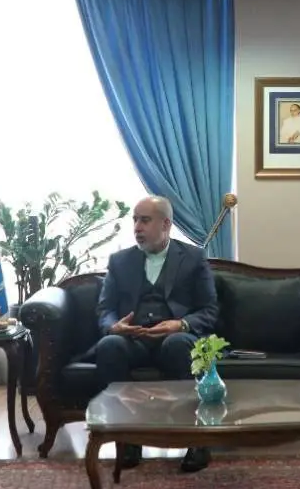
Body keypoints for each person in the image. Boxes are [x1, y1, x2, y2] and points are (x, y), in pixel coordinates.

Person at [94, 195, 220, 472]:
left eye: (145, 220)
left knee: (179, 345)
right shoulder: (120, 261)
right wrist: (114, 326)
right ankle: (128, 440)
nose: (137, 227)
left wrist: (181, 324)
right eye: (135, 220)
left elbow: (209, 310)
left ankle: (196, 441)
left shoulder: (193, 258)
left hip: (175, 337)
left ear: (166, 224)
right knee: (109, 345)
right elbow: (105, 309)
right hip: (133, 339)